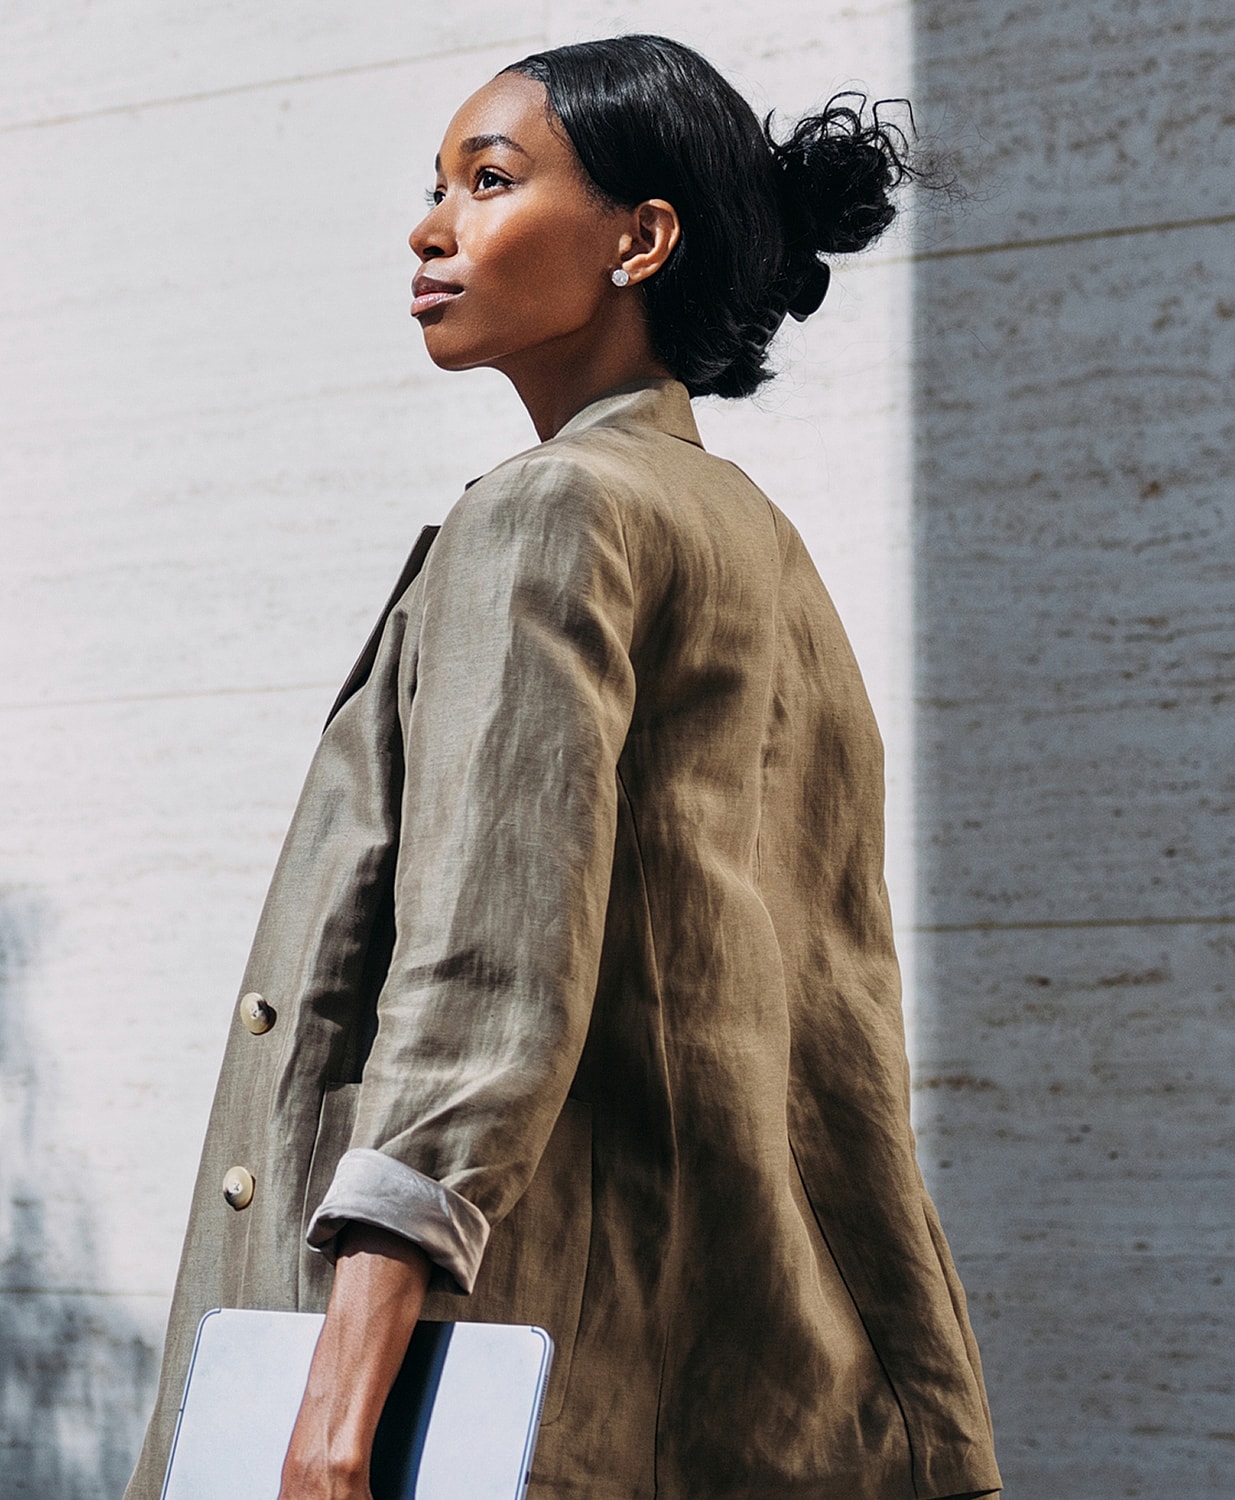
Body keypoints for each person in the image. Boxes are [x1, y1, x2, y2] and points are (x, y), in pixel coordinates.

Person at [125, 34, 1000, 1500]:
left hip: (504, 1399)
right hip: (746, 1386)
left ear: (640, 238)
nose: (431, 225)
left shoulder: (550, 515)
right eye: (439, 186)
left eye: (492, 179)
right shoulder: (756, 544)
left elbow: (481, 984)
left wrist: (335, 1429)